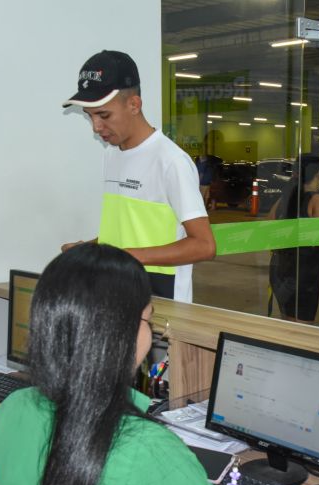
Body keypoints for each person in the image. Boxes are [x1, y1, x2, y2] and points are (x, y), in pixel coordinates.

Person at [0, 243, 319, 485]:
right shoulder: (142, 448)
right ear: (117, 336)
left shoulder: (13, 410)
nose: (150, 334)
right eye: (147, 320)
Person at [60, 50, 216, 303]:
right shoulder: (111, 155)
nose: (96, 127)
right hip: (115, 298)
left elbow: (204, 245)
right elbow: (127, 233)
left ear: (134, 104)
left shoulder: (171, 162)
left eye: (103, 115)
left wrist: (127, 257)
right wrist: (92, 250)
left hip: (160, 305)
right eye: (89, 116)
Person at [269, 154, 319, 323]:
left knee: (288, 325)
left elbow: (267, 230)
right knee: (302, 331)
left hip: (280, 271)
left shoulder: (284, 199)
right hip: (305, 276)